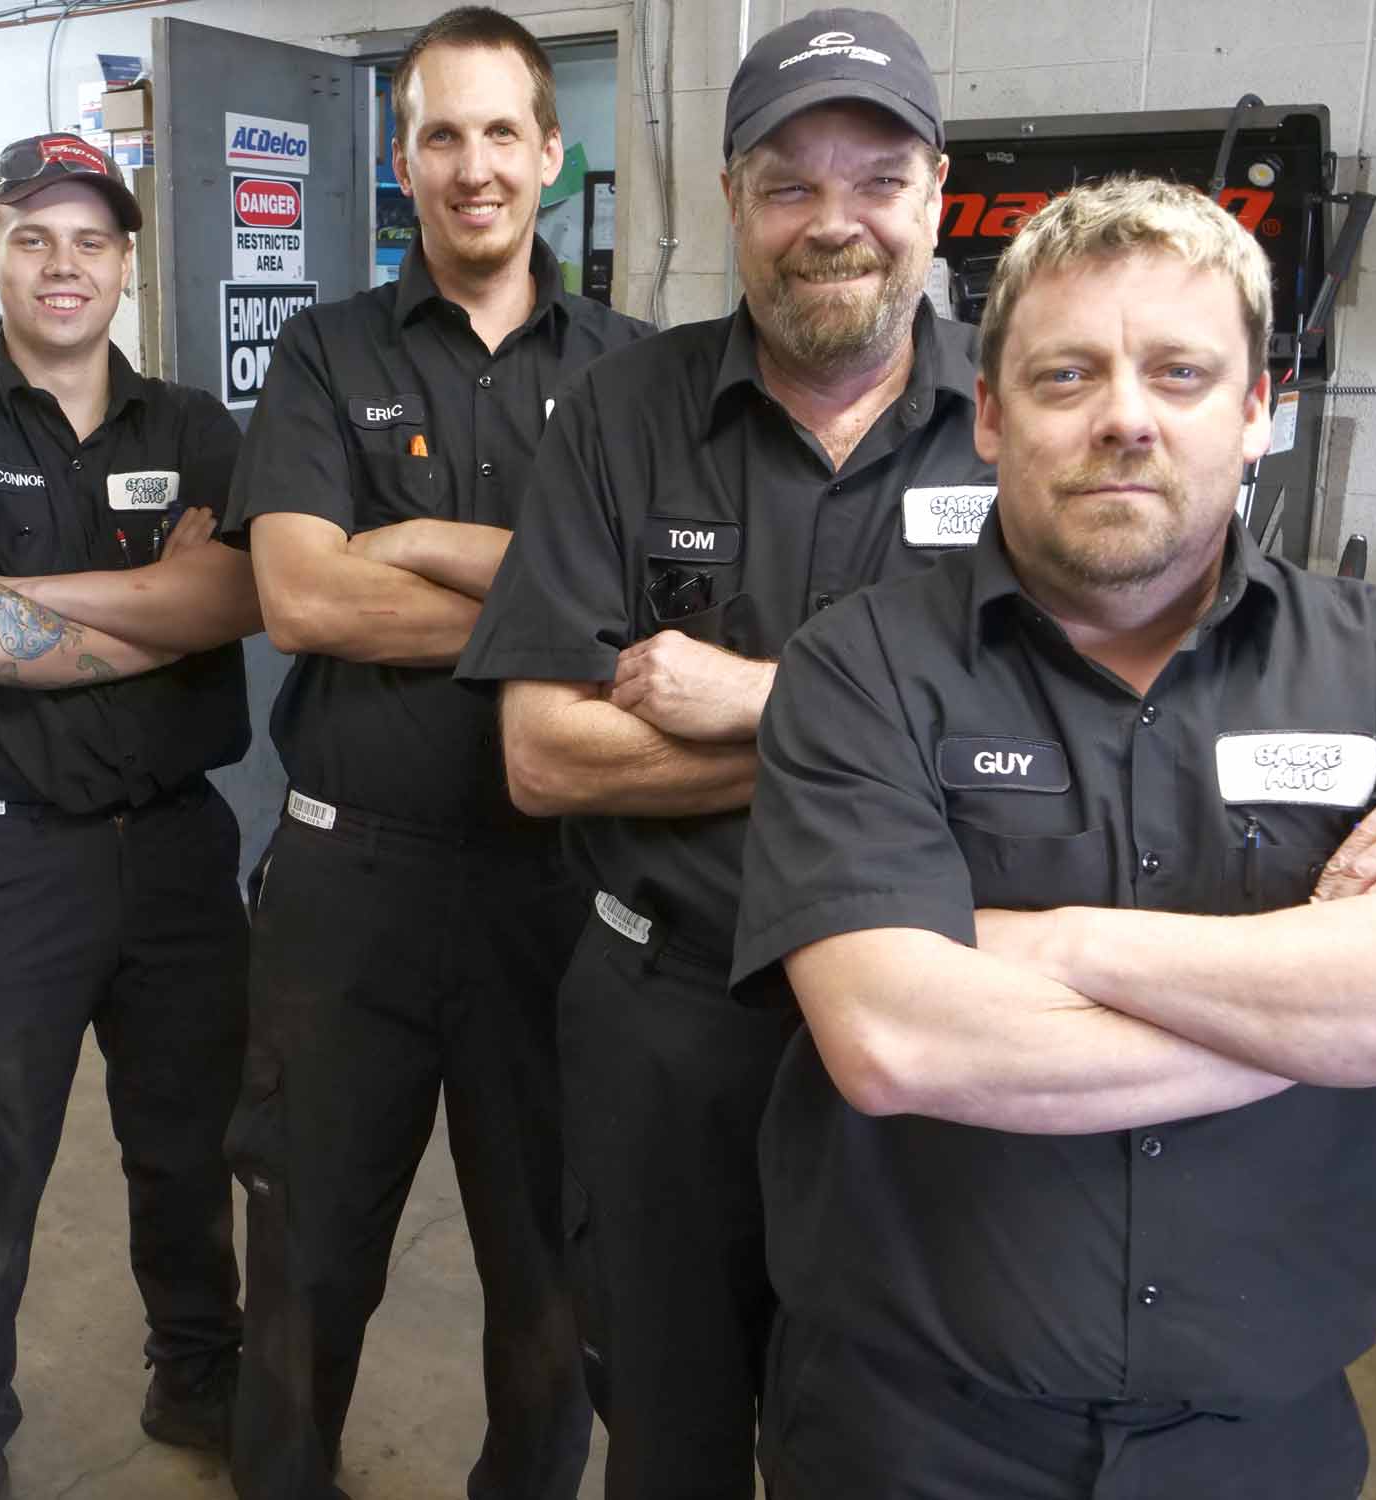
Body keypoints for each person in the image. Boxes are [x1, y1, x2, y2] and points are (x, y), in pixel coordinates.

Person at [733, 174, 1376, 1499]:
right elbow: (897, 1040)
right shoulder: (860, 671)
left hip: (1259, 1447)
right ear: (990, 416)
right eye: (1066, 375)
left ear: (1256, 412)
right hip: (911, 1441)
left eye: (1180, 372)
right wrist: (1309, 1001)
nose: (1124, 418)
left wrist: (1054, 946)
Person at [455, 11, 990, 1496]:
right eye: (788, 184)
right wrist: (909, 747)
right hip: (666, 1022)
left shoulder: (1023, 420)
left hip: (934, 1021)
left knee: (895, 1443)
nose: (834, 223)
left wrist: (759, 702)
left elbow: (1060, 743)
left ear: (936, 196)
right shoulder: (625, 414)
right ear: (731, 200)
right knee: (668, 1434)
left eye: (876, 180)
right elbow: (545, 757)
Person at [218, 9, 650, 1497]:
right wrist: (553, 607)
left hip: (563, 891)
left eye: (501, 133)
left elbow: (645, 621)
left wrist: (418, 545)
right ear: (402, 161)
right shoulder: (323, 350)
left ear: (551, 152)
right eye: (441, 136)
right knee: (305, 1254)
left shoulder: (634, 375)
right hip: (350, 891)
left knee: (553, 1271)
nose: (474, 167)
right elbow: (303, 599)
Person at [0, 132, 263, 1500]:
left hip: (177, 852)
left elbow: (240, 597)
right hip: (6, 856)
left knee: (190, 1146)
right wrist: (153, 604)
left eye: (91, 239)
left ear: (125, 264)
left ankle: (198, 1376)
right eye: (33, 236)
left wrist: (10, 595)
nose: (63, 264)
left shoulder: (196, 428)